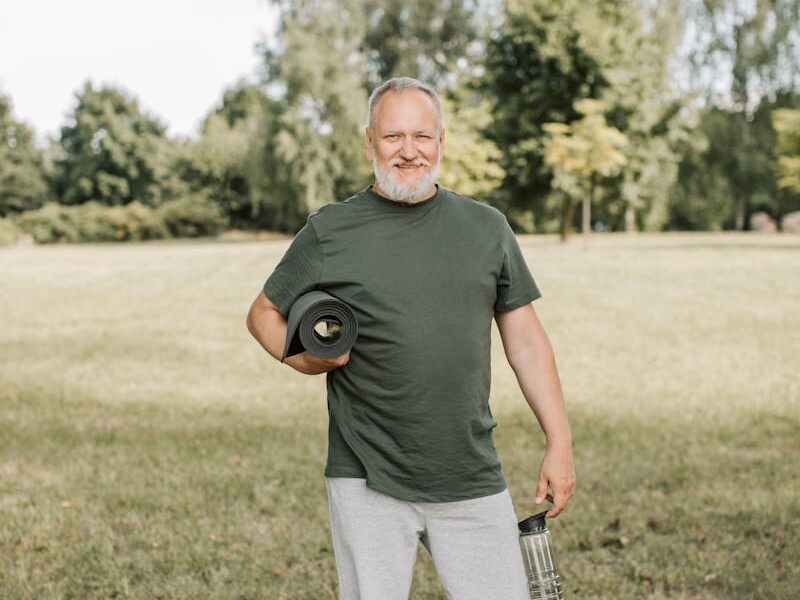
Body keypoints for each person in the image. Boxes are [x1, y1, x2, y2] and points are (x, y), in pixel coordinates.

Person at [246, 76, 575, 600]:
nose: (409, 151)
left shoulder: (487, 229)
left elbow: (527, 342)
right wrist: (303, 360)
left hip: (469, 472)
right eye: (393, 137)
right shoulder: (331, 230)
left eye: (422, 137)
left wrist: (559, 442)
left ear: (441, 143)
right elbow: (263, 312)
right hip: (366, 474)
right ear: (369, 143)